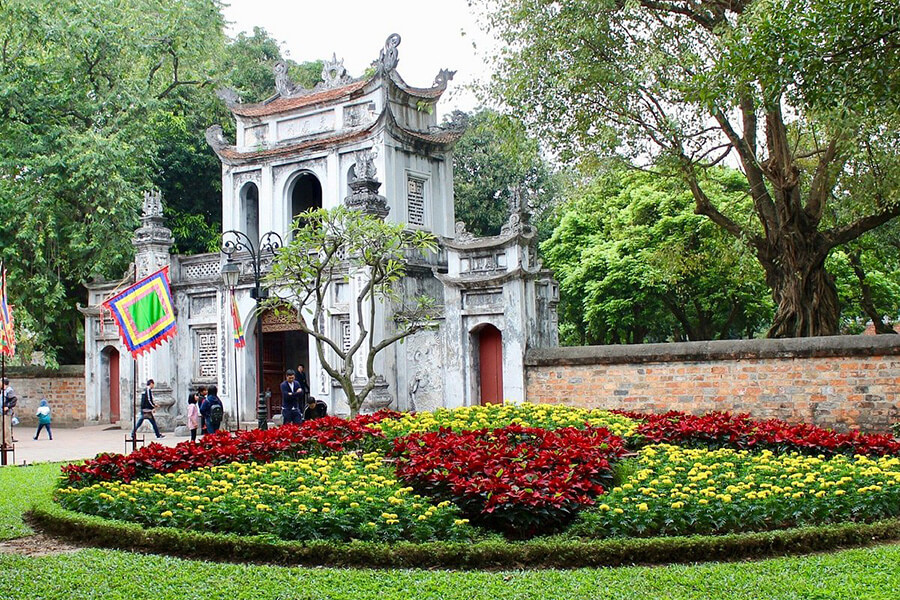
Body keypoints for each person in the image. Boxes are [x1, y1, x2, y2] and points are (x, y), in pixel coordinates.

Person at [1, 378, 17, 444]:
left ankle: (7, 442)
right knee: (1, 428)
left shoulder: (9, 390)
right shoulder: (2, 390)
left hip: (6, 412)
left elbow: (14, 399)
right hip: (1, 412)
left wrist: (7, 406)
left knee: (6, 428)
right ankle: (1, 442)